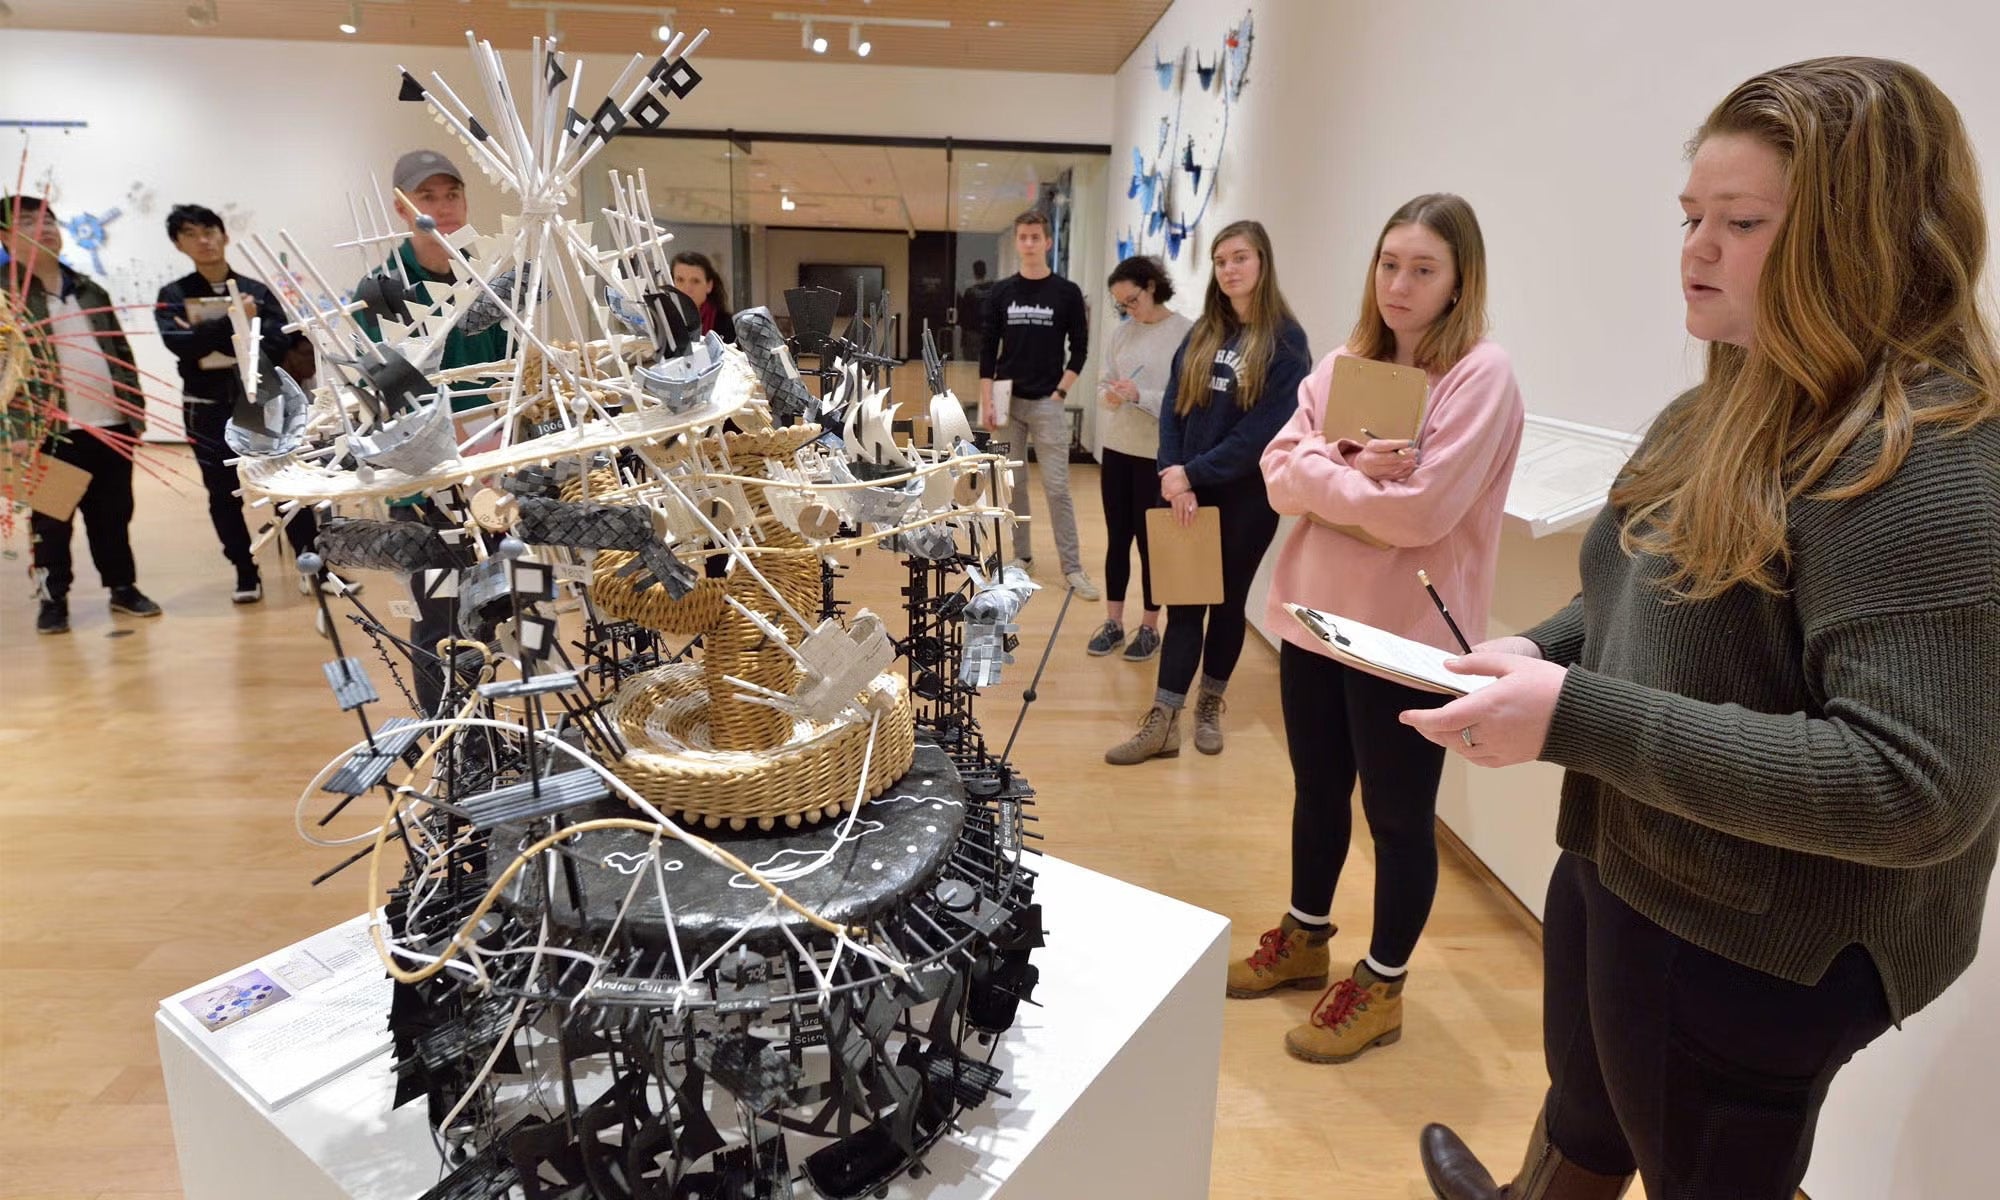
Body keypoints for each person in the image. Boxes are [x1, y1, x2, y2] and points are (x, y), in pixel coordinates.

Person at [1411, 57, 2000, 1200]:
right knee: (1586, 1110)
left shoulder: (1919, 458)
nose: (1693, 251)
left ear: (1863, 235)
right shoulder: (1721, 402)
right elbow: (1639, 585)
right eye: (1690, 217)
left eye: (1738, 223)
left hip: (1755, 941)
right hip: (1628, 857)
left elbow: (1912, 786)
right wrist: (1540, 653)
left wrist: (1574, 716)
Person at [1231, 195, 1523, 1067]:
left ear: (1459, 278)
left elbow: (1423, 513)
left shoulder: (1480, 373)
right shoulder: (1343, 363)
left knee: (1398, 818)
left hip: (1405, 633)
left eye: (1423, 268)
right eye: (1388, 263)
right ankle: (1307, 936)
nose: (1399, 284)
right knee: (1316, 791)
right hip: (1315, 617)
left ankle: (1383, 984)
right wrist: (1348, 466)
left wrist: (1327, 476)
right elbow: (1277, 475)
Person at [1105, 219, 1309, 764]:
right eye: (1221, 261)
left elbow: (1263, 432)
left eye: (1239, 258)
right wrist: (1173, 474)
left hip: (1245, 501)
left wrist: (1193, 475)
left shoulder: (1286, 342)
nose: (1229, 270)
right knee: (1185, 604)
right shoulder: (1204, 332)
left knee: (1225, 607)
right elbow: (1174, 405)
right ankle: (1163, 720)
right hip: (1185, 492)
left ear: (1262, 263)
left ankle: (1209, 705)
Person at [357, 149, 512, 715]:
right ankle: (449, 743)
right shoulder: (380, 288)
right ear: (402, 207)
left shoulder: (485, 277)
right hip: (424, 487)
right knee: (439, 623)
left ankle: (490, 734)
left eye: (452, 195)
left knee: (493, 611)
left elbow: (508, 375)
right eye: (428, 197)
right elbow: (377, 393)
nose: (443, 208)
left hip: (487, 475)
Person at [2, 194, 162, 633]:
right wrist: (13, 433)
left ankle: (123, 588)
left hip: (110, 427)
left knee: (112, 516)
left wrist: (135, 413)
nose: (45, 227)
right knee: (51, 525)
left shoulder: (89, 287)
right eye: (29, 221)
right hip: (48, 434)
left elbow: (120, 352)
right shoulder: (5, 297)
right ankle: (53, 600)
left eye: (49, 219)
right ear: (6, 238)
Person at [156, 203, 325, 603]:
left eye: (211, 231)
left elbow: (279, 340)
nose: (205, 240)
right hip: (205, 404)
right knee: (222, 491)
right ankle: (245, 571)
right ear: (179, 244)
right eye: (192, 234)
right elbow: (180, 345)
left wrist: (211, 331)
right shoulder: (173, 296)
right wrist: (236, 320)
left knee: (285, 480)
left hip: (261, 398)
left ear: (225, 235)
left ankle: (311, 562)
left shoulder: (257, 289)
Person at [979, 210, 1099, 599]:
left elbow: (1079, 350)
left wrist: (1060, 392)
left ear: (1048, 242)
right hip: (1007, 399)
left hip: (1048, 401)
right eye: (1023, 237)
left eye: (1036, 237)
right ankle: (1023, 556)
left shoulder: (1066, 293)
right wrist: (987, 401)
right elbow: (986, 349)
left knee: (1058, 488)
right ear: (1017, 242)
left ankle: (1073, 568)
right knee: (1015, 486)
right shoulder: (1001, 292)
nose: (1029, 243)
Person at [1086, 255, 1191, 662]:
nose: (1129, 310)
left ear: (1151, 286)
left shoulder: (1185, 332)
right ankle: (1113, 622)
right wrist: (1110, 396)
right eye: (1122, 305)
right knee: (1118, 539)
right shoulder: (1121, 334)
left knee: (1152, 546)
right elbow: (1101, 385)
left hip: (1157, 455)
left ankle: (1149, 628)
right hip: (1118, 450)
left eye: (1132, 300)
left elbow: (1187, 400)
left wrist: (1139, 396)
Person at [670, 251, 736, 345]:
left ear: (709, 286)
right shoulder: (662, 322)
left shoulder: (729, 325)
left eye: (695, 281)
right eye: (680, 280)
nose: (687, 289)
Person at [956, 258, 994, 362]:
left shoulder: (969, 292)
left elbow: (963, 316)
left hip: (972, 333)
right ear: (985, 272)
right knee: (986, 363)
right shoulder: (994, 290)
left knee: (970, 365)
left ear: (974, 273)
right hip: (988, 332)